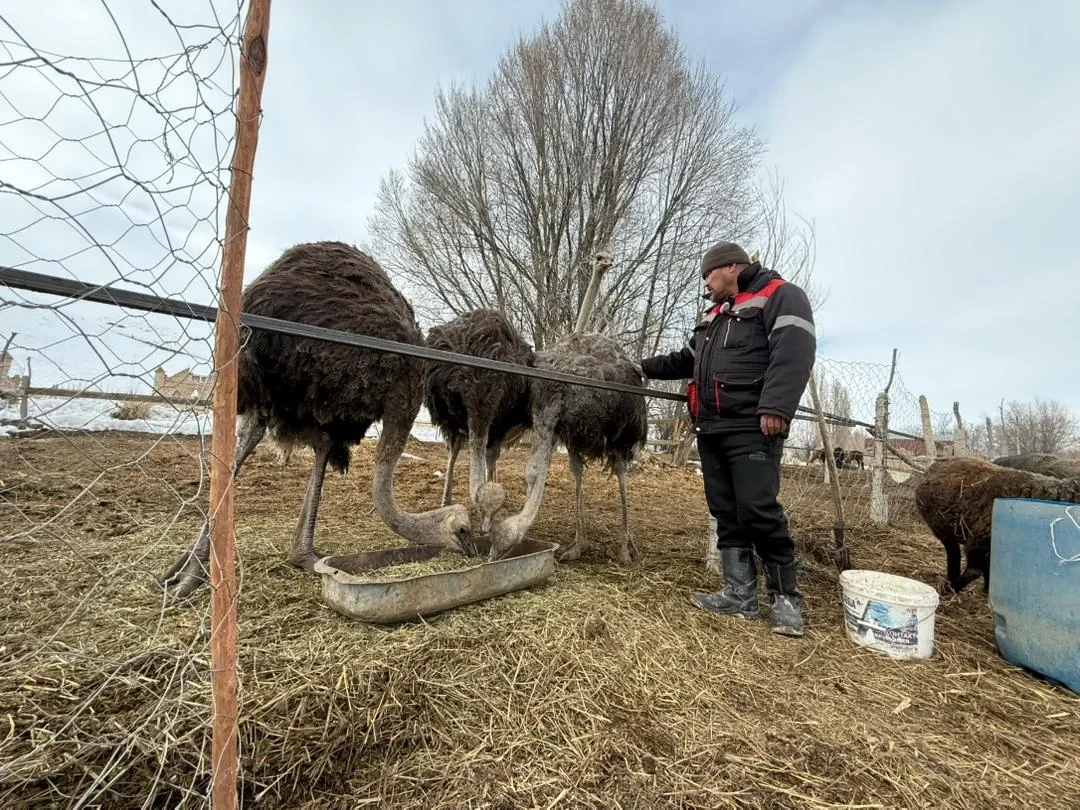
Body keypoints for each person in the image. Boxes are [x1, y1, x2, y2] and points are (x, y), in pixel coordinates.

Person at [637, 241, 816, 636]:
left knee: (757, 509)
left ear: (731, 267)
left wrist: (776, 407)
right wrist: (639, 367)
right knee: (725, 511)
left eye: (708, 273)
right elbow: (686, 360)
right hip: (711, 427)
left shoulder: (780, 295)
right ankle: (739, 595)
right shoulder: (714, 315)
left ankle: (785, 599)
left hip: (752, 425)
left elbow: (794, 353)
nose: (705, 282)